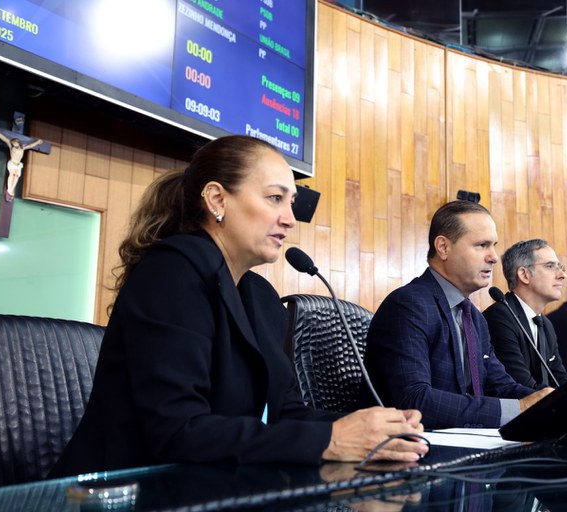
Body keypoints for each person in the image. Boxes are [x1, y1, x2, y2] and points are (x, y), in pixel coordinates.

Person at [49, 136, 427, 478]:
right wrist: (331, 440)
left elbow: (284, 412)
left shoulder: (260, 296)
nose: (289, 219)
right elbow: (177, 431)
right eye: (275, 198)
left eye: (291, 203)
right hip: (119, 493)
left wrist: (373, 428)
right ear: (217, 199)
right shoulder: (171, 272)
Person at [364, 200, 552, 429]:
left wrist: (549, 403)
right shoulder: (409, 305)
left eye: (494, 245)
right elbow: (414, 399)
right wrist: (520, 408)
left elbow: (500, 386)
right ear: (443, 247)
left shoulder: (475, 318)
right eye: (482, 245)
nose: (494, 257)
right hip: (413, 444)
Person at [483, 239, 567, 389]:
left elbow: (559, 378)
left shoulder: (546, 324)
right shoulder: (499, 318)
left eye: (560, 267)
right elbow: (521, 386)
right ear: (524, 275)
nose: (562, 275)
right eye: (550, 266)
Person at [0, 125, 43, 201]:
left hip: (18, 165)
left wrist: (37, 142)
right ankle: (10, 190)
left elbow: (30, 145)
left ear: (18, 143)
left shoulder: (22, 148)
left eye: (15, 143)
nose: (14, 144)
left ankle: (11, 190)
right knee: (12, 174)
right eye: (13, 143)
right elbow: (4, 138)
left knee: (16, 177)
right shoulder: (11, 147)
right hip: (12, 163)